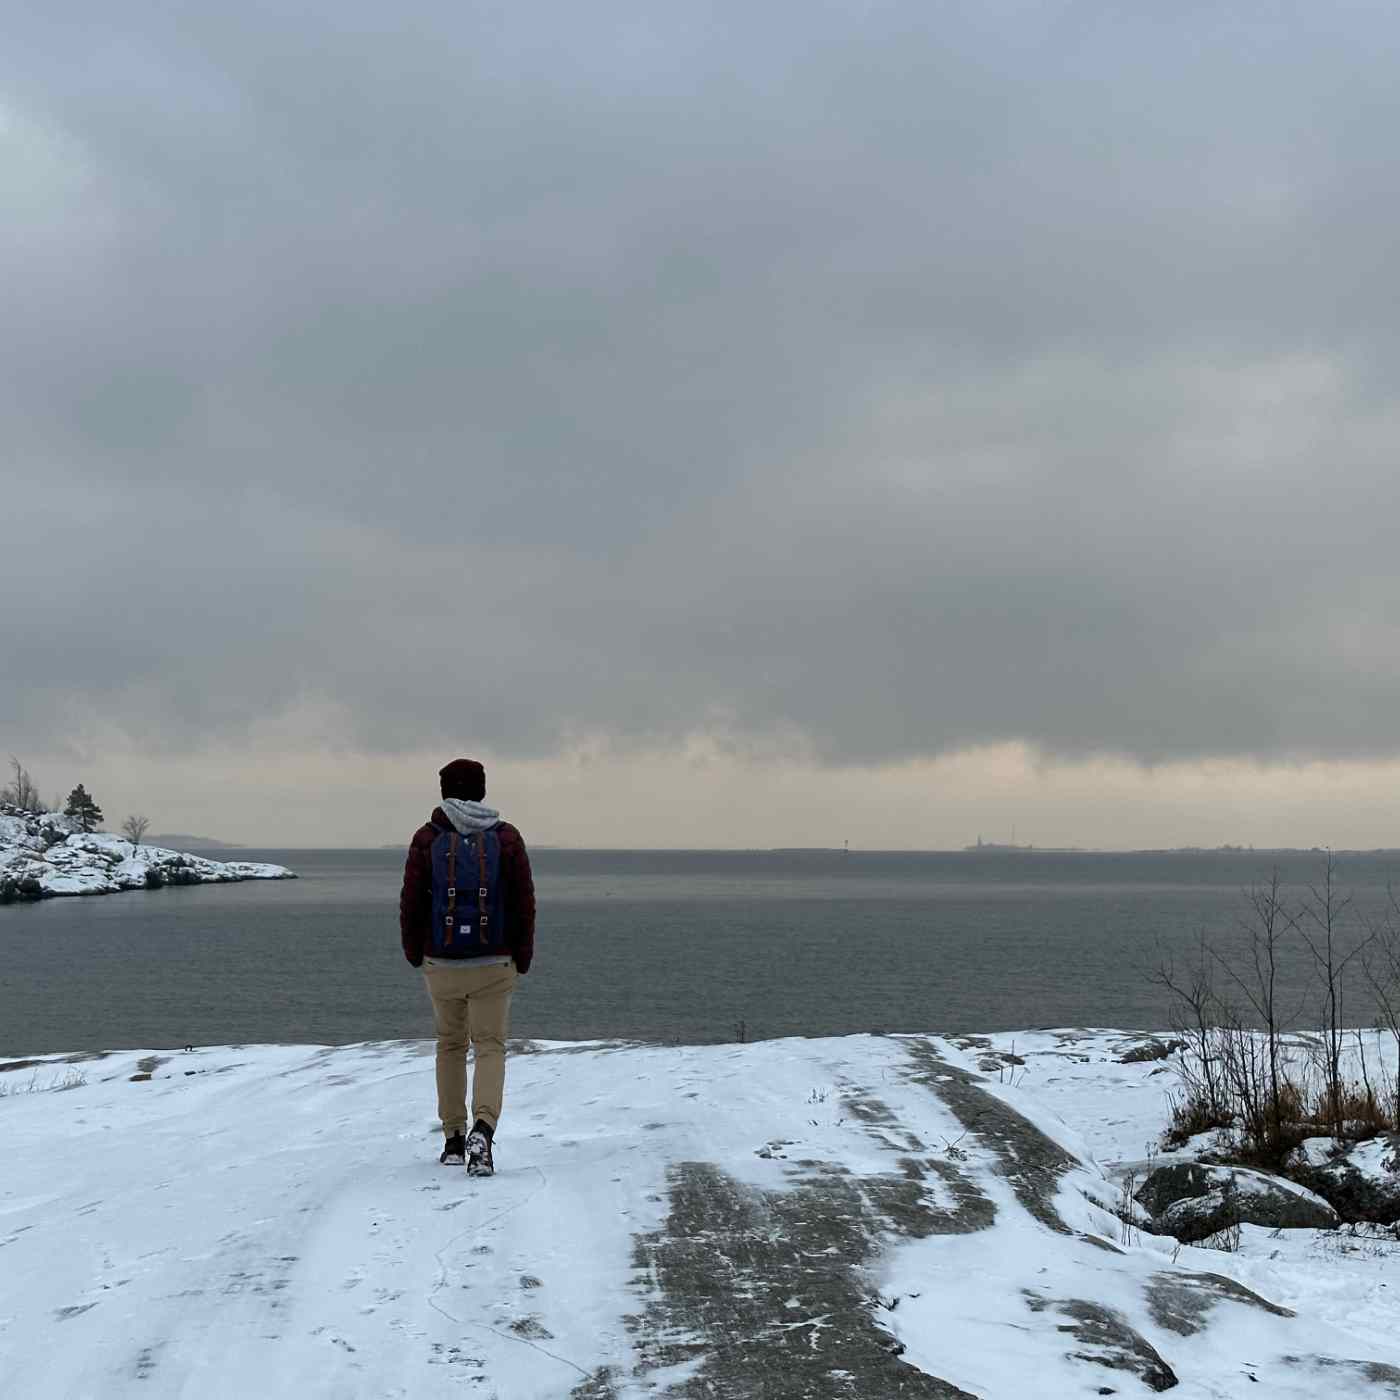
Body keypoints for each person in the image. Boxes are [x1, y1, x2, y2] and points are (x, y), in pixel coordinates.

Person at [400, 758, 535, 1176]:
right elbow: (523, 902)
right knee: (490, 1045)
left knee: (450, 1045)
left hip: (441, 963)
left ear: (444, 792)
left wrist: (414, 952)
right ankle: (484, 1129)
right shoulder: (506, 838)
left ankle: (454, 1139)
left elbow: (411, 902)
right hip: (494, 961)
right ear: (481, 790)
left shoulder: (427, 838)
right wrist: (522, 955)